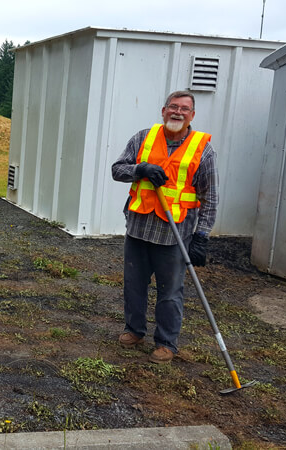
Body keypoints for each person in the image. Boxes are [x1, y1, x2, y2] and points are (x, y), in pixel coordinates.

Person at [110, 90, 218, 364]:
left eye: (184, 109)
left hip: (175, 235)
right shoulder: (143, 138)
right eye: (173, 107)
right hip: (138, 229)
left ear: (191, 115)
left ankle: (167, 343)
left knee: (170, 293)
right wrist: (141, 169)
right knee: (134, 285)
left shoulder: (202, 149)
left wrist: (202, 236)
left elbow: (210, 196)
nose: (177, 112)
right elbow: (117, 170)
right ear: (163, 110)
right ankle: (134, 330)